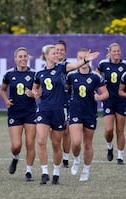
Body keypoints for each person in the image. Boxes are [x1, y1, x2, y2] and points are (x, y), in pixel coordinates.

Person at [32, 44, 100, 185]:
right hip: (43, 110)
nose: (57, 55)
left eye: (58, 53)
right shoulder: (39, 74)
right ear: (46, 56)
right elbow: (35, 90)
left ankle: (56, 172)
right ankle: (44, 172)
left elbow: (76, 65)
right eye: (53, 53)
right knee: (41, 141)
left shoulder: (62, 68)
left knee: (56, 144)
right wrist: (34, 93)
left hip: (59, 111)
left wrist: (86, 60)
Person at [68, 48, 109, 181]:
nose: (83, 60)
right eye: (80, 57)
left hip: (90, 113)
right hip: (75, 112)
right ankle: (76, 159)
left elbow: (105, 94)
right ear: (77, 59)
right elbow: (65, 91)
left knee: (87, 143)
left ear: (90, 59)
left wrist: (98, 98)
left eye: (85, 57)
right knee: (76, 142)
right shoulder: (71, 75)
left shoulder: (96, 77)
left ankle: (86, 169)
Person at [0, 47, 37, 182]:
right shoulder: (9, 74)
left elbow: (39, 92)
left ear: (28, 58)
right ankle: (15, 158)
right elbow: (3, 90)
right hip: (15, 112)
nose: (23, 59)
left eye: (25, 56)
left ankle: (29, 171)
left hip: (30, 112)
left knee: (30, 143)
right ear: (15, 59)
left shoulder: (34, 74)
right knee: (16, 145)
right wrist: (6, 100)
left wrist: (33, 94)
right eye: (20, 56)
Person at [97, 43, 126, 164]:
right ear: (110, 52)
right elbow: (96, 77)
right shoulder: (103, 64)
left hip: (122, 100)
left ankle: (120, 156)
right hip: (108, 100)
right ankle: (109, 146)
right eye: (114, 51)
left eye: (118, 51)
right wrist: (99, 92)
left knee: (120, 129)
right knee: (108, 129)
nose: (117, 53)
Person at [55, 40, 71, 168]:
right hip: (53, 104)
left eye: (61, 50)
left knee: (66, 132)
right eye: (57, 50)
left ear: (65, 53)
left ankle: (65, 158)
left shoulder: (69, 67)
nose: (59, 52)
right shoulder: (48, 66)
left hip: (67, 103)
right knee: (55, 133)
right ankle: (57, 155)